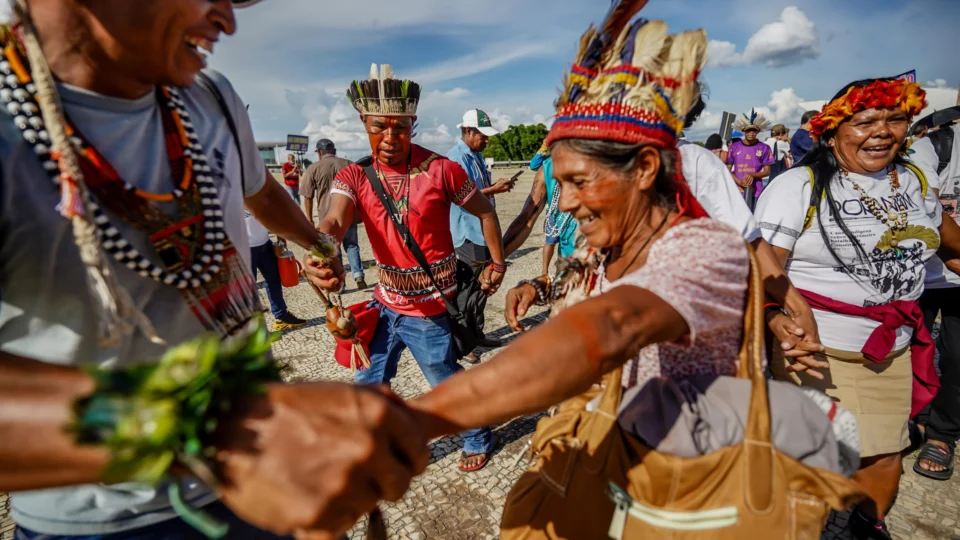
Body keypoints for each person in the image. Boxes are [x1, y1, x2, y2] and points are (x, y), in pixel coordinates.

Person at [0, 2, 428, 539]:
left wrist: (315, 243)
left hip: (258, 482)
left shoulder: (210, 98)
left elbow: (262, 190)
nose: (228, 20)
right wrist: (221, 434)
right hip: (109, 521)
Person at [405, 6, 759, 485]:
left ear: (646, 170)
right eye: (561, 181)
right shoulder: (606, 246)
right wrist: (541, 282)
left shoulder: (700, 251)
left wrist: (415, 419)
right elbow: (590, 284)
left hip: (669, 475)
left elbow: (604, 330)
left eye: (580, 182)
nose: (565, 202)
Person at [755, 77, 960, 539]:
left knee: (885, 459)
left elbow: (951, 247)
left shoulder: (913, 181)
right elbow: (759, 269)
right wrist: (775, 318)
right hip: (818, 348)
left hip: (894, 348)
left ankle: (864, 526)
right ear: (832, 133)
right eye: (865, 121)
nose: (882, 131)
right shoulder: (798, 187)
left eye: (895, 119)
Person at [306, 65, 506, 472]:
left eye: (401, 128)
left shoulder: (442, 170)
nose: (391, 138)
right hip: (384, 304)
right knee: (368, 382)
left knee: (444, 381)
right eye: (380, 127)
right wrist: (320, 248)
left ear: (414, 124)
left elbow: (486, 212)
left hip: (431, 309)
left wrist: (498, 263)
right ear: (364, 122)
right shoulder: (354, 175)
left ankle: (477, 435)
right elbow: (333, 219)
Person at [910, 121, 960, 480]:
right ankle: (915, 413)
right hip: (923, 272)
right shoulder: (937, 145)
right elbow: (919, 202)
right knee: (911, 348)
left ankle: (943, 434)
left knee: (957, 356)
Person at [447, 109, 513, 363]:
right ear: (468, 131)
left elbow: (478, 190)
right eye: (482, 135)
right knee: (466, 290)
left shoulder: (475, 156)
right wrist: (494, 189)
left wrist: (495, 189)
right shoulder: (456, 158)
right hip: (467, 233)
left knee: (483, 287)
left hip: (482, 232)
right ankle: (462, 345)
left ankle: (477, 334)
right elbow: (462, 197)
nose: (487, 140)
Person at [301, 138, 367, 289]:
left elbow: (307, 196)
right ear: (334, 151)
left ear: (319, 153)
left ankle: (340, 283)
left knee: (332, 250)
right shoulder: (348, 164)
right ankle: (358, 275)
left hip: (326, 217)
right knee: (352, 245)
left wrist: (310, 219)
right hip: (348, 213)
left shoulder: (313, 168)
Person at [246, 211, 308, 331]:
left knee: (274, 279)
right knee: (248, 289)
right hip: (244, 248)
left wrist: (280, 238)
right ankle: (254, 328)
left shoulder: (257, 192)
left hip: (264, 243)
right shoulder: (229, 192)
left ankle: (281, 316)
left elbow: (272, 213)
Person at [726, 110, 774, 210]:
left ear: (758, 131)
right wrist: (739, 181)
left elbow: (767, 171)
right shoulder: (734, 147)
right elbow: (727, 170)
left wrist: (753, 175)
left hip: (756, 190)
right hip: (737, 190)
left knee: (754, 217)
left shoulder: (764, 148)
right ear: (743, 131)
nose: (751, 133)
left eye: (754, 130)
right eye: (748, 130)